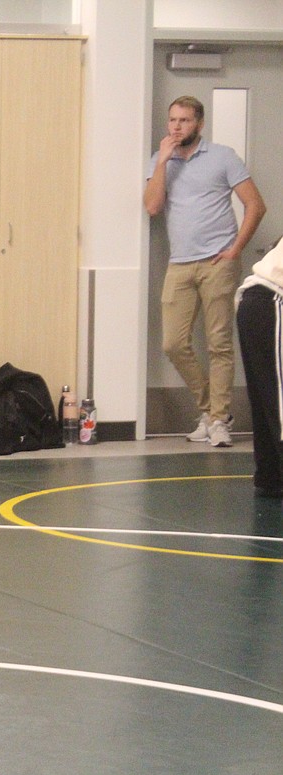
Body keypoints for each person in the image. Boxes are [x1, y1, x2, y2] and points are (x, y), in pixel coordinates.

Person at [144, 95, 266, 447]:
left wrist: (235, 250)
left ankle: (217, 422)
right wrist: (164, 161)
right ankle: (213, 410)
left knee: (219, 344)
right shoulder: (160, 159)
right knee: (173, 343)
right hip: (179, 264)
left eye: (184, 121)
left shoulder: (222, 156)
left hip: (218, 263)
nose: (176, 126)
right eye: (172, 120)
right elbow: (152, 206)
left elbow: (255, 205)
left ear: (199, 124)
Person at [237, 237, 283, 499]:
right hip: (271, 300)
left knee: (268, 398)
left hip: (256, 302)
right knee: (278, 401)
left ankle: (271, 476)